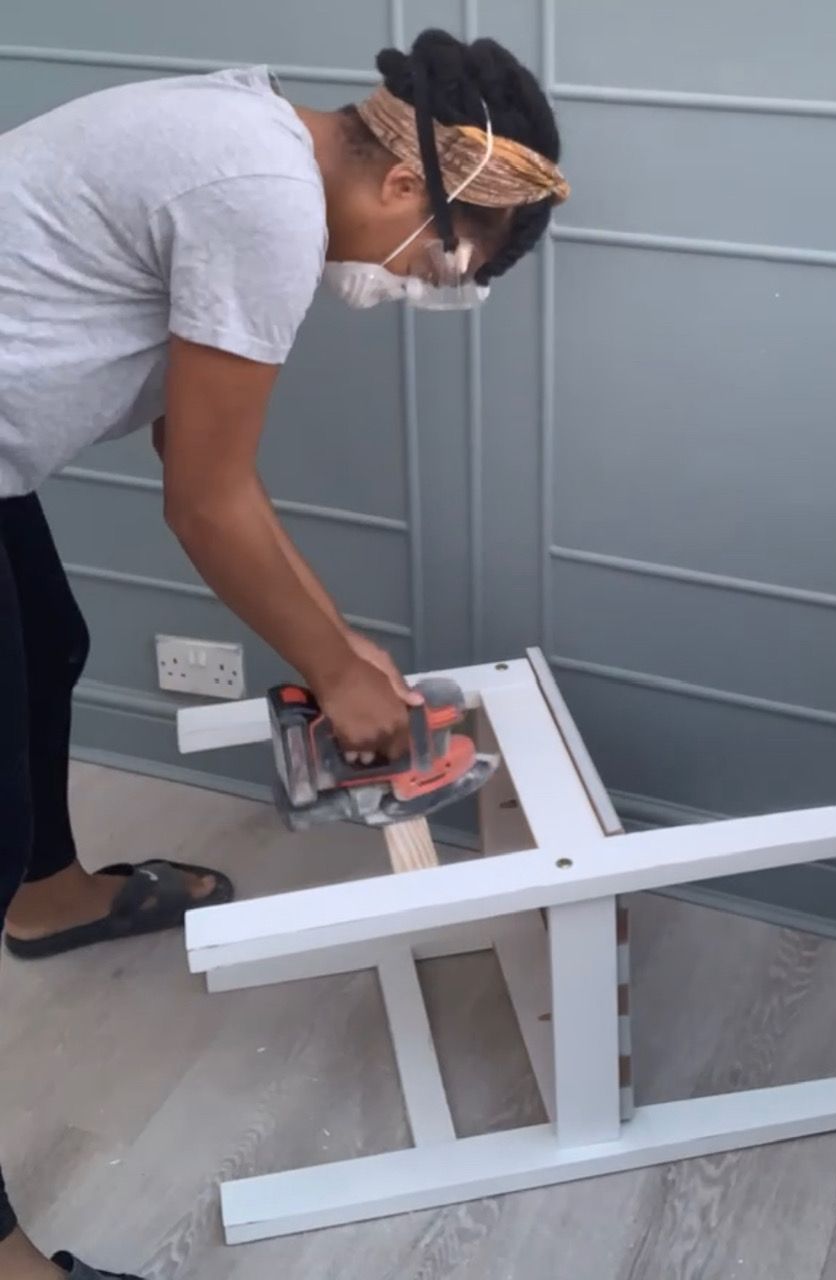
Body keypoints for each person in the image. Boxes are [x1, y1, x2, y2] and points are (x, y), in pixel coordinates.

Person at [0, 26, 568, 1280]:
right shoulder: (262, 201)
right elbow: (204, 503)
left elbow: (193, 452)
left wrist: (339, 644)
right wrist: (343, 669)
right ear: (407, 185)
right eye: (446, 270)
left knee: (48, 643)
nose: (419, 289)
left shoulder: (253, 142)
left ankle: (43, 894)